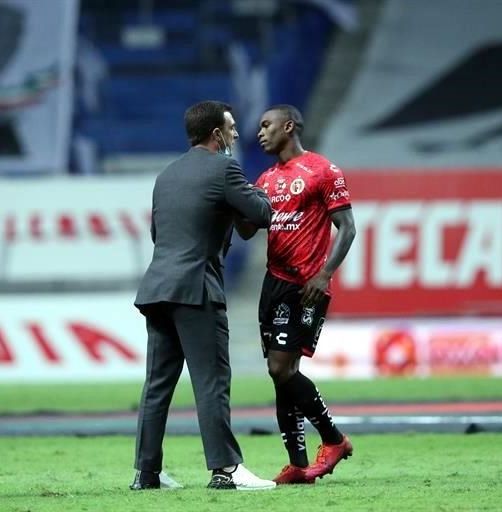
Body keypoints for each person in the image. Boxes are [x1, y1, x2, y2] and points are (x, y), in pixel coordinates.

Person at [131, 100, 276, 491]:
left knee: (157, 384)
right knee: (211, 381)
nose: (234, 135)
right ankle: (225, 469)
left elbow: (158, 236)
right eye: (230, 129)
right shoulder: (224, 168)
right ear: (216, 134)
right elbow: (263, 214)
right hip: (196, 289)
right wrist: (256, 193)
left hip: (158, 286)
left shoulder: (166, 175)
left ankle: (147, 474)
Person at [235, 105, 357, 484]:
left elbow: (347, 227)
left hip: (306, 286)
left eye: (266, 125)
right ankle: (300, 465)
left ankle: (334, 440)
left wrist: (325, 274)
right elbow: (245, 232)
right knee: (282, 376)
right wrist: (234, 203)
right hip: (273, 284)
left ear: (288, 127)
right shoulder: (266, 179)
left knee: (280, 369)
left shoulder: (323, 171)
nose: (260, 133)